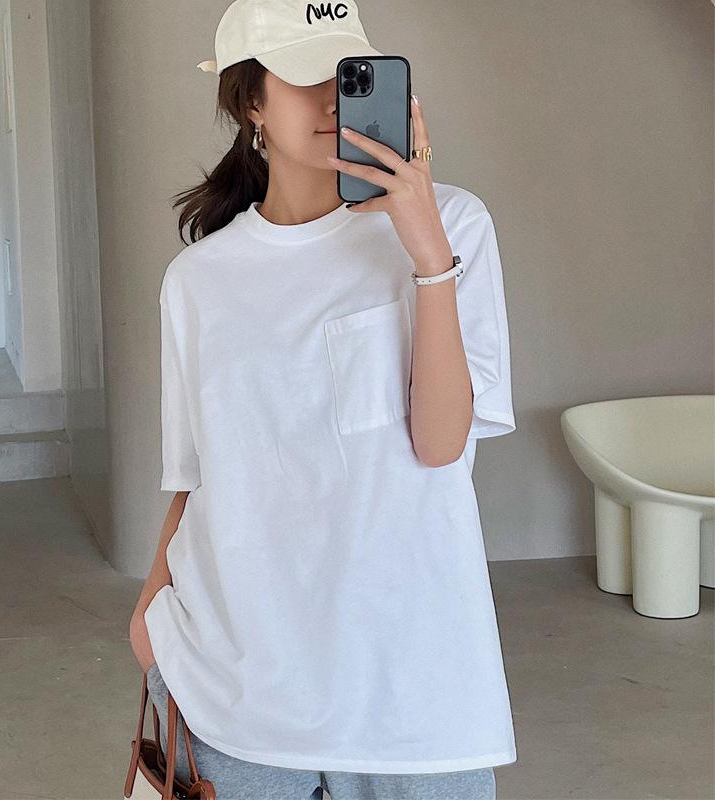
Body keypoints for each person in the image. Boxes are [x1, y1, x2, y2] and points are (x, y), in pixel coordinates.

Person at [129, 1, 517, 798]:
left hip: (414, 685)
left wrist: (427, 255)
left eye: (349, 75)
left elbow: (441, 444)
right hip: (236, 681)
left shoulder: (455, 225)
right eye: (307, 77)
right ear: (251, 103)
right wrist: (148, 618)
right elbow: (197, 474)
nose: (335, 98)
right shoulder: (198, 281)